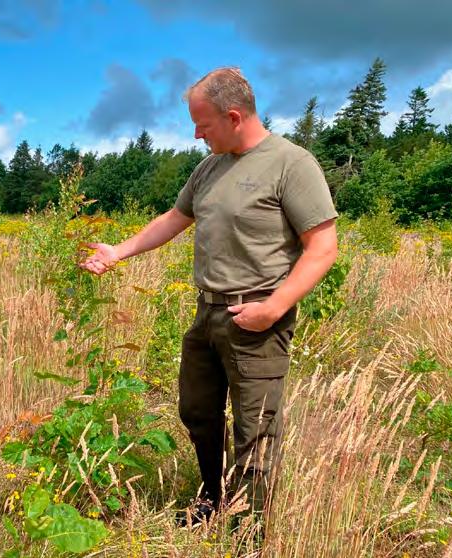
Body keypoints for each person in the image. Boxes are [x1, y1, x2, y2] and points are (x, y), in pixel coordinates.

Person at [79, 67, 338, 530]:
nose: (196, 134)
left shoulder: (291, 164)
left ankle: (248, 532)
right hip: (207, 313)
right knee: (197, 412)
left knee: (255, 430)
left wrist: (273, 308)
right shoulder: (210, 167)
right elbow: (174, 218)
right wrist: (118, 251)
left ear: (234, 117)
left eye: (203, 124)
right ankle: (213, 500)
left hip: (258, 317)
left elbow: (323, 247)